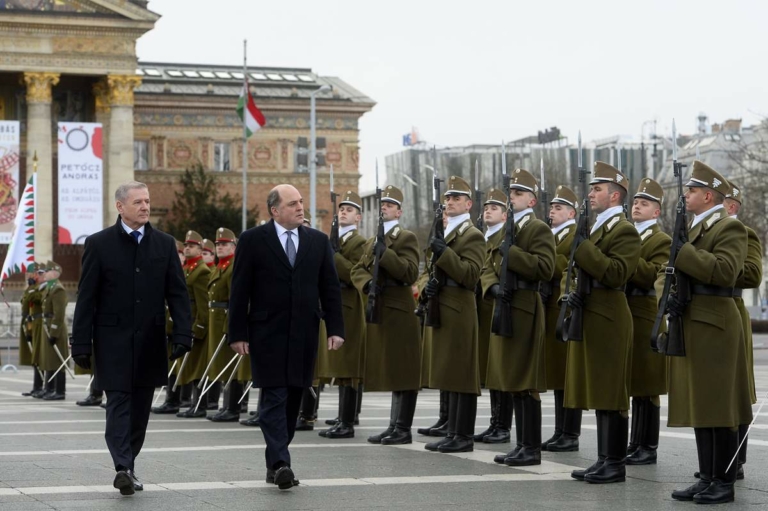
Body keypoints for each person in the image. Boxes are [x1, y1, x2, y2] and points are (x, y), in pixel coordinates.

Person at [71, 181, 192, 496]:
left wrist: (182, 333)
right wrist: (80, 343)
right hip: (112, 341)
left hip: (151, 341)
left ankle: (129, 462)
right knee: (119, 403)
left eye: (148, 201)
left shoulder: (164, 244)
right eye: (138, 202)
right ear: (120, 207)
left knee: (140, 410)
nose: (145, 207)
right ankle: (122, 467)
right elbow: (87, 298)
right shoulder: (99, 244)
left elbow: (178, 294)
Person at [228, 184, 344, 490]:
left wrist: (335, 328)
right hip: (267, 332)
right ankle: (281, 463)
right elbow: (239, 290)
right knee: (274, 395)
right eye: (292, 203)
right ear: (275, 210)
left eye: (301, 202)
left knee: (294, 396)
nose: (300, 207)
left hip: (304, 332)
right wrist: (237, 333)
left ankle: (274, 461)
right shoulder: (253, 240)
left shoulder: (317, 242)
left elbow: (330, 289)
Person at [665, 163, 752, 504]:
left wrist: (684, 253)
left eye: (691, 191)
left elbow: (726, 271)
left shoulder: (729, 228)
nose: (686, 195)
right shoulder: (697, 229)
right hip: (696, 321)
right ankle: (707, 477)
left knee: (721, 406)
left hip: (717, 322)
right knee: (703, 405)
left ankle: (724, 482)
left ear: (708, 195)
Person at [564, 162, 640, 484]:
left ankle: (615, 463)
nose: (591, 193)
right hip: (591, 312)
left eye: (597, 189)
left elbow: (615, 273)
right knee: (597, 390)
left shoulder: (624, 230)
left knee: (612, 392)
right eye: (591, 188)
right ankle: (603, 458)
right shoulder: (595, 228)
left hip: (609, 315)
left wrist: (581, 247)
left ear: (615, 196)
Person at [482, 170, 555, 466]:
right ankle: (521, 444)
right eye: (511, 193)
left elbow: (545, 268)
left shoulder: (537, 228)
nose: (512, 198)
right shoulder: (506, 228)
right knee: (511, 378)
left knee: (526, 381)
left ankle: (531, 448)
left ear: (532, 199)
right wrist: (493, 285)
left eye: (518, 194)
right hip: (506, 304)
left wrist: (512, 254)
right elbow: (488, 265)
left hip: (525, 305)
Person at [351, 185, 421, 445]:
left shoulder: (406, 238)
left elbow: (410, 272)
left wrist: (386, 253)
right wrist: (367, 284)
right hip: (379, 306)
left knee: (404, 369)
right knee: (393, 369)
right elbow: (357, 270)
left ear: (399, 211)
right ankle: (394, 425)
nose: (385, 208)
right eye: (383, 205)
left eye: (390, 205)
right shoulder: (371, 241)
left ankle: (403, 428)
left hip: (400, 309)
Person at [421, 176, 485, 454]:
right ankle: (452, 431)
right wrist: (429, 284)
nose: (450, 202)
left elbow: (470, 275)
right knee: (450, 373)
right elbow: (429, 267)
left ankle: (463, 435)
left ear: (469, 204)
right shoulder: (445, 233)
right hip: (443, 304)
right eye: (448, 198)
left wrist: (444, 253)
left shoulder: (473, 235)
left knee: (462, 374)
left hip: (460, 307)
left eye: (456, 198)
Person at [625, 178, 670, 466]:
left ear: (656, 212)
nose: (637, 207)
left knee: (647, 385)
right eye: (636, 202)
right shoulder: (628, 235)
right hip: (628, 312)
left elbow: (654, 275)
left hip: (646, 312)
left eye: (645, 203)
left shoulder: (660, 240)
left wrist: (626, 257)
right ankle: (634, 442)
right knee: (633, 382)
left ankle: (648, 446)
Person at [317, 190, 367, 439]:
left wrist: (333, 255)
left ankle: (347, 421)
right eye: (342, 209)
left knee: (348, 366)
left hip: (349, 304)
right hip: (334, 305)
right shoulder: (333, 240)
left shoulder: (360, 243)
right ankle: (342, 417)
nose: (344, 212)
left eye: (350, 210)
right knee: (338, 364)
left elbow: (354, 274)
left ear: (358, 218)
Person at [723, 179, 762, 480]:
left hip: (731, 306)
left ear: (732, 206)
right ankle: (718, 461)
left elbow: (752, 274)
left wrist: (717, 268)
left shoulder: (745, 233)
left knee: (737, 390)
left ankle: (737, 459)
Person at [541, 186, 582, 452]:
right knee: (557, 375)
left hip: (564, 308)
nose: (552, 212)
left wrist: (544, 256)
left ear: (571, 212)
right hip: (550, 308)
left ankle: (571, 432)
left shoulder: (573, 234)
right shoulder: (552, 236)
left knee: (567, 374)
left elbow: (563, 265)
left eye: (558, 208)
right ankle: (559, 430)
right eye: (551, 208)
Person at [473, 188, 512, 445]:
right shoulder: (483, 237)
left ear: (505, 215)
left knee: (501, 368)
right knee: (490, 370)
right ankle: (494, 422)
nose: (488, 210)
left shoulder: (504, 237)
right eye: (486, 207)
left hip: (495, 308)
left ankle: (502, 425)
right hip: (480, 309)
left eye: (495, 208)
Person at [175, 230, 212, 418]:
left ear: (200, 249)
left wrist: (200, 326)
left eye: (191, 246)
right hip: (186, 322)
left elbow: (203, 303)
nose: (187, 248)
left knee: (198, 366)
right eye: (186, 245)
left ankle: (200, 405)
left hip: (195, 323)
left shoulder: (202, 271)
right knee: (189, 365)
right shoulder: (188, 268)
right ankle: (191, 403)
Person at [206, 228, 240, 422]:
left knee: (231, 365)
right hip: (217, 318)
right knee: (222, 366)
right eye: (218, 244)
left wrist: (231, 325)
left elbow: (235, 297)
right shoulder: (220, 266)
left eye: (224, 244)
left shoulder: (233, 266)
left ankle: (232, 407)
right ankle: (226, 405)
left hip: (227, 318)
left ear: (233, 247)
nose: (220, 247)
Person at [39, 261, 69, 400]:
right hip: (48, 326)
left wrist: (54, 332)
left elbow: (59, 313)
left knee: (58, 360)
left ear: (55, 273)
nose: (44, 273)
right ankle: (49, 388)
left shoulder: (58, 289)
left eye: (47, 271)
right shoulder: (49, 288)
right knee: (50, 359)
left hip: (55, 328)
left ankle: (59, 391)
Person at [19, 264, 44, 398]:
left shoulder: (39, 288)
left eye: (33, 273)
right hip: (30, 323)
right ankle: (36, 386)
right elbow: (24, 301)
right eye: (29, 274)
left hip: (38, 324)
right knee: (34, 357)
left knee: (40, 356)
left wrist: (31, 288)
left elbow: (35, 299)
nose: (31, 276)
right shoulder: (31, 287)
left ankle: (42, 386)